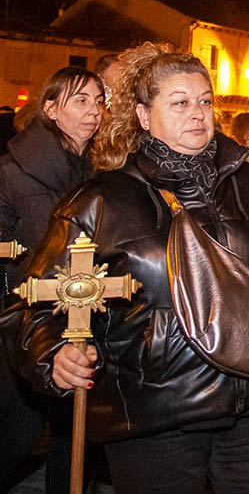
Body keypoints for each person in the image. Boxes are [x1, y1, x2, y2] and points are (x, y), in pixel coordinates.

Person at [0, 42, 249, 494]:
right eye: (179, 103)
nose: (196, 113)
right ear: (142, 116)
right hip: (156, 416)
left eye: (204, 101)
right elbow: (34, 298)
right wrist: (52, 353)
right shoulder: (103, 201)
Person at [0, 67, 105, 493]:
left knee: (77, 437)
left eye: (99, 100)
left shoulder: (101, 172)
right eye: (81, 100)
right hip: (22, 319)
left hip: (83, 316)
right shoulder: (12, 171)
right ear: (50, 109)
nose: (94, 111)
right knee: (17, 433)